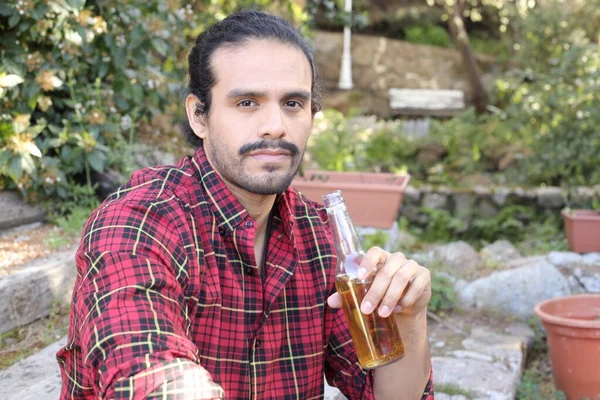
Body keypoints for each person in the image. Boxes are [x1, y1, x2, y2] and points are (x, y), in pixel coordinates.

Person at [57, 10, 434, 400]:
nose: (275, 125)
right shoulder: (138, 223)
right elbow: (150, 378)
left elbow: (388, 394)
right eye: (247, 102)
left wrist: (409, 318)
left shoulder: (317, 235)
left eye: (292, 103)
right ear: (199, 116)